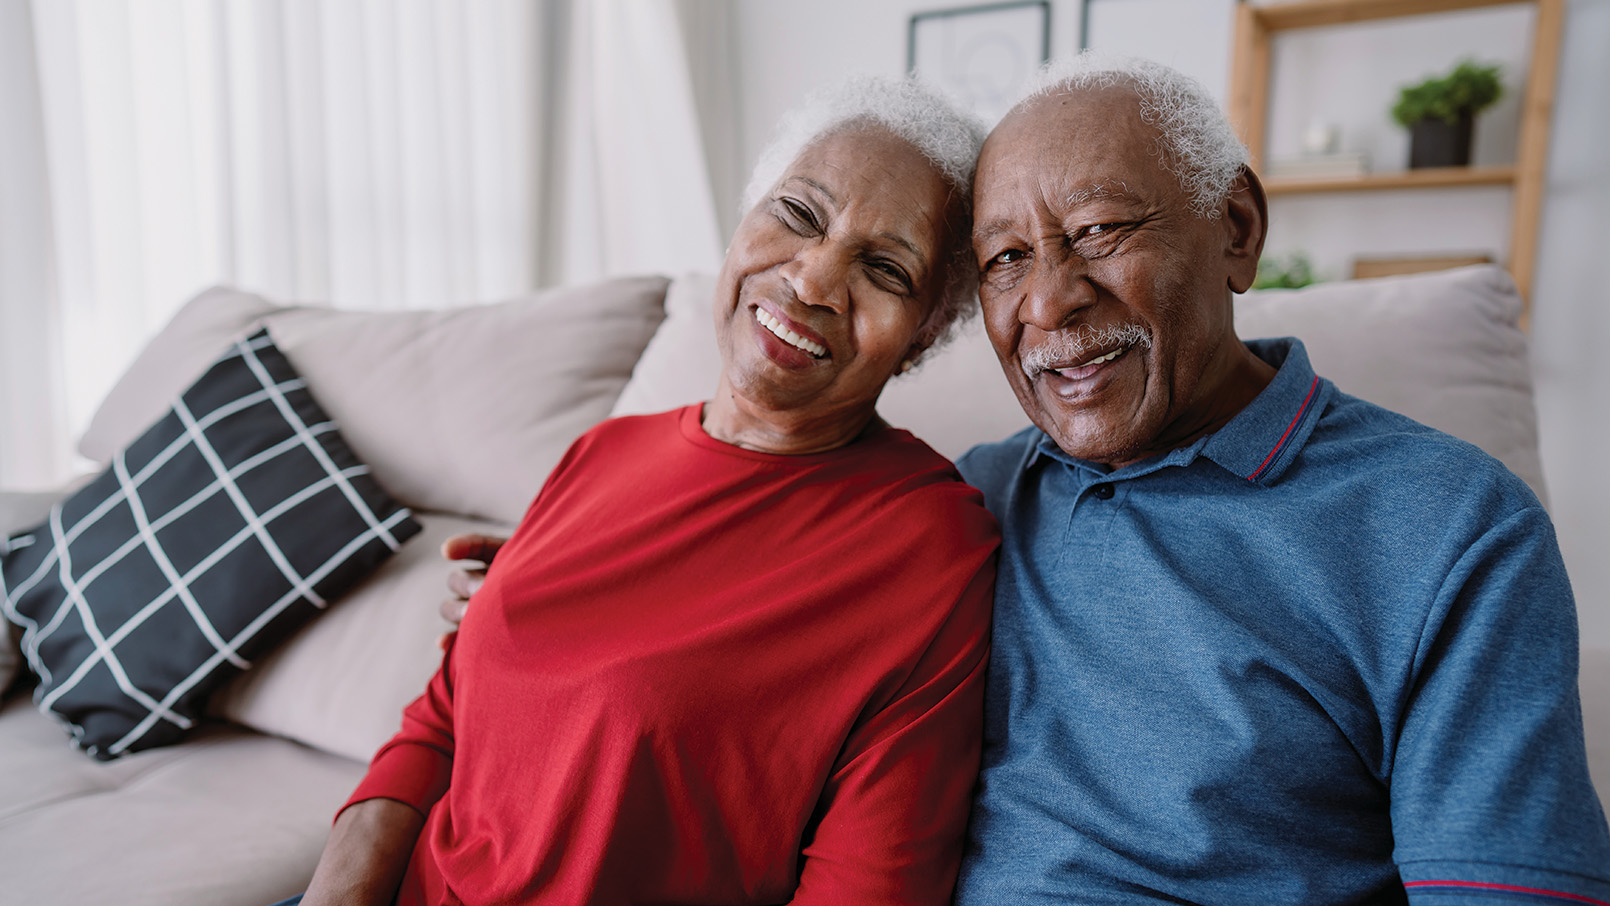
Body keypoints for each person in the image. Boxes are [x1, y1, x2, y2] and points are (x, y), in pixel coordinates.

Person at [291, 77, 998, 906]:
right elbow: (436, 727)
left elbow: (872, 885)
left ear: (920, 339)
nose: (811, 280)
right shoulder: (602, 451)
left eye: (883, 266)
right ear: (743, 225)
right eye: (799, 215)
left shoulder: (924, 545)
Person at [950, 53, 1610, 904]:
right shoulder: (971, 503)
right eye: (1004, 258)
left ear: (1236, 228)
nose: (1046, 303)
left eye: (1099, 230)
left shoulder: (1456, 527)